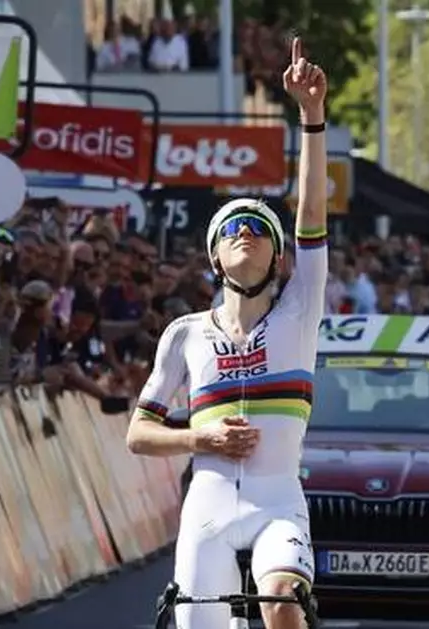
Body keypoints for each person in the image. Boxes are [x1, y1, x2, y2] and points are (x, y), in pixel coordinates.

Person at [125, 37, 328, 629]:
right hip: (208, 510)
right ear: (214, 257)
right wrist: (201, 440)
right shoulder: (185, 335)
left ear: (278, 256)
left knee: (283, 605)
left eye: (260, 228)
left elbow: (312, 219)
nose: (247, 232)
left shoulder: (298, 311)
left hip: (276, 502)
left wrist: (311, 117)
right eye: (233, 227)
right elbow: (139, 434)